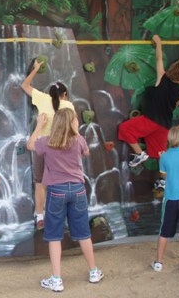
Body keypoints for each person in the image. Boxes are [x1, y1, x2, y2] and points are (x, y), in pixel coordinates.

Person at [27, 108, 103, 292]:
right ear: (72, 123)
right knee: (83, 233)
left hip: (56, 192)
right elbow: (86, 152)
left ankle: (56, 279)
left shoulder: (46, 142)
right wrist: (76, 131)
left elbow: (30, 145)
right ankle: (93, 271)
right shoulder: (78, 140)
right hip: (77, 190)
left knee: (54, 235)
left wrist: (39, 125)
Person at [21, 58, 74, 229]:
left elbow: (25, 86)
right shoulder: (68, 105)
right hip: (61, 146)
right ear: (64, 94)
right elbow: (73, 126)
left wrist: (35, 69)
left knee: (40, 184)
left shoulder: (43, 99)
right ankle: (61, 215)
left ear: (50, 93)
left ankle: (40, 217)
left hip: (42, 145)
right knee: (62, 181)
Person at [118, 35, 179, 171]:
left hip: (151, 120)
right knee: (160, 154)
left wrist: (158, 43)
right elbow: (175, 105)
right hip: (164, 124)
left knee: (125, 129)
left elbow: (159, 58)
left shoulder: (162, 78)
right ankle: (163, 181)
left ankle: (140, 154)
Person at [151, 125, 179, 272]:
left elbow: (163, 177)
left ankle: (158, 262)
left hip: (170, 199)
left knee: (164, 232)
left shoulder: (164, 156)